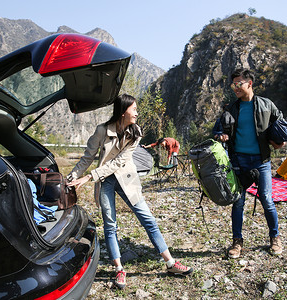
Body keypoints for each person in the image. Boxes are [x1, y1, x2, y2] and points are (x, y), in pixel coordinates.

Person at [67, 94, 193, 289]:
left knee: (148, 219)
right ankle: (119, 269)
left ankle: (170, 263)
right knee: (110, 225)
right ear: (123, 110)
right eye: (134, 109)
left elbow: (119, 162)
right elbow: (87, 157)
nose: (137, 113)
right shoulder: (102, 130)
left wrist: (90, 177)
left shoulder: (136, 132)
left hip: (126, 179)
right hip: (105, 181)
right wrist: (72, 177)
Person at [216, 68, 285, 258]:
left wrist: (281, 139)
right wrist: (221, 135)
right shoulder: (231, 108)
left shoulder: (266, 105)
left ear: (249, 83)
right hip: (239, 161)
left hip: (261, 161)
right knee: (238, 202)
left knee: (267, 199)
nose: (235, 88)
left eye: (239, 84)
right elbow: (217, 129)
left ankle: (275, 237)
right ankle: (237, 242)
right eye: (233, 85)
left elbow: (281, 124)